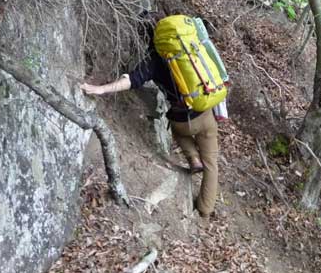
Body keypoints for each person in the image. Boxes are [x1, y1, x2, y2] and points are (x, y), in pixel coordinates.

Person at [80, 13, 220, 218]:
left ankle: (192, 157)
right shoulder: (188, 50)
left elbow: (132, 80)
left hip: (180, 120)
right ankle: (205, 211)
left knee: (179, 133)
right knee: (212, 165)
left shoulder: (153, 60)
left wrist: (101, 89)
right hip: (205, 114)